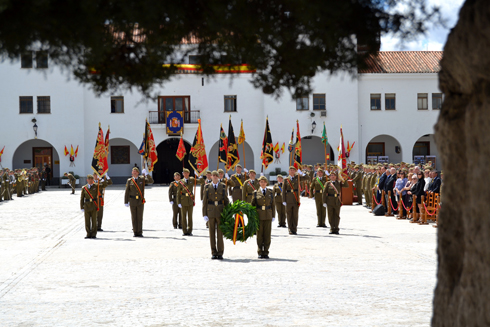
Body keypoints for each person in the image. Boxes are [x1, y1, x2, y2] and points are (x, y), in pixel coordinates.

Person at [202, 170, 230, 260]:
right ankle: (213, 252)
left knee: (220, 233)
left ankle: (220, 252)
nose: (214, 177)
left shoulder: (223, 187)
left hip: (220, 211)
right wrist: (204, 214)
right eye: (213, 175)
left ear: (218, 177)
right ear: (211, 177)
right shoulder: (207, 187)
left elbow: (226, 200)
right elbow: (204, 201)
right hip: (210, 211)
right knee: (212, 233)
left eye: (216, 175)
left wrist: (228, 212)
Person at [124, 167, 154, 237]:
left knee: (139, 217)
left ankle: (140, 232)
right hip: (132, 201)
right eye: (133, 171)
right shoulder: (129, 180)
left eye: (136, 171)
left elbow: (151, 181)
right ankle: (135, 232)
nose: (134, 172)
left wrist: (146, 174)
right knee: (134, 217)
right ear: (132, 173)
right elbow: (127, 191)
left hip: (140, 201)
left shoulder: (142, 179)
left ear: (138, 172)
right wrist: (126, 201)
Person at [252, 176, 275, 259]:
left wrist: (273, 216)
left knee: (267, 235)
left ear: (266, 183)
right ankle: (260, 251)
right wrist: (253, 216)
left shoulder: (270, 192)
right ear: (259, 183)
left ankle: (266, 251)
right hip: (259, 216)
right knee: (259, 235)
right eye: (261, 182)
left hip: (268, 215)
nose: (263, 183)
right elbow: (253, 205)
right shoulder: (255, 193)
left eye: (264, 182)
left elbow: (273, 205)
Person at [80, 174, 108, 239]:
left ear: (93, 180)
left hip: (94, 205)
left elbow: (105, 185)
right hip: (87, 206)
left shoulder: (96, 186)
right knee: (87, 221)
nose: (90, 180)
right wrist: (82, 207)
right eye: (89, 179)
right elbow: (82, 198)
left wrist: (101, 179)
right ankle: (88, 233)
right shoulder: (84, 188)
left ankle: (93, 234)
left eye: (91, 179)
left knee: (94, 221)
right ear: (87, 180)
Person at [282, 166, 304, 235]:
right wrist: (284, 200)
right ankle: (290, 229)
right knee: (289, 215)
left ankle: (294, 229)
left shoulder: (298, 178)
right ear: (289, 171)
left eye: (293, 170)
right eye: (290, 170)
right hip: (288, 199)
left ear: (295, 171)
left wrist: (302, 173)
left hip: (295, 199)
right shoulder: (286, 180)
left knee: (295, 215)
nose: (292, 171)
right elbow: (283, 191)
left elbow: (308, 178)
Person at [177, 168, 196, 236]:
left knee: (190, 217)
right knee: (183, 216)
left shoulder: (192, 180)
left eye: (187, 173)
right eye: (184, 173)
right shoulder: (180, 182)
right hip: (183, 200)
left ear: (189, 173)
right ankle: (184, 231)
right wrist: (178, 202)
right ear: (183, 174)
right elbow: (178, 193)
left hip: (190, 200)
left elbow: (201, 182)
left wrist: (200, 176)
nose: (186, 174)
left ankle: (190, 230)